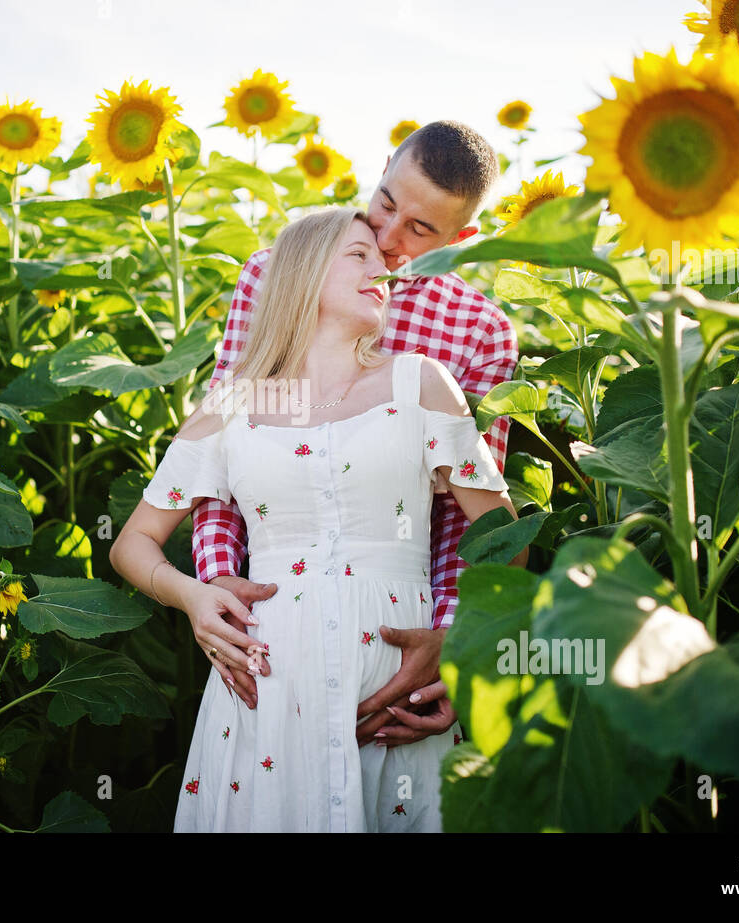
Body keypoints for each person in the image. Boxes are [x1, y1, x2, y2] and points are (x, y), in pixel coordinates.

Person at [110, 208, 526, 832]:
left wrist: (460, 648)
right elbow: (133, 542)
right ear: (301, 274)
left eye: (381, 263)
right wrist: (194, 598)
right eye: (358, 255)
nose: (381, 269)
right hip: (269, 687)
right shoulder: (237, 402)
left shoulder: (419, 383)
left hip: (393, 692)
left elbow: (506, 541)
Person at [193, 121, 517, 750]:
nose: (390, 239)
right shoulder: (275, 273)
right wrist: (217, 582)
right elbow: (224, 452)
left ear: (463, 237)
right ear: (383, 167)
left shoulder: (480, 331)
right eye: (387, 204)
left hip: (397, 633)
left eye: (421, 231)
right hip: (269, 619)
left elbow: (466, 518)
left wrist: (453, 640)